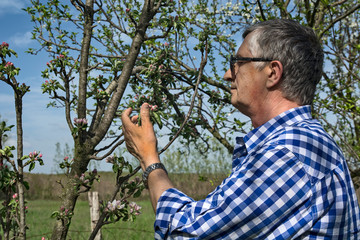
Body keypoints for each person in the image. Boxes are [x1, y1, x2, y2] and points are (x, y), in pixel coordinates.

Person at [121, 19, 360, 239]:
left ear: (272, 72)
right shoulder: (303, 144)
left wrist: (148, 157)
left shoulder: (290, 152)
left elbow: (186, 233)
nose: (228, 75)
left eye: (237, 63)